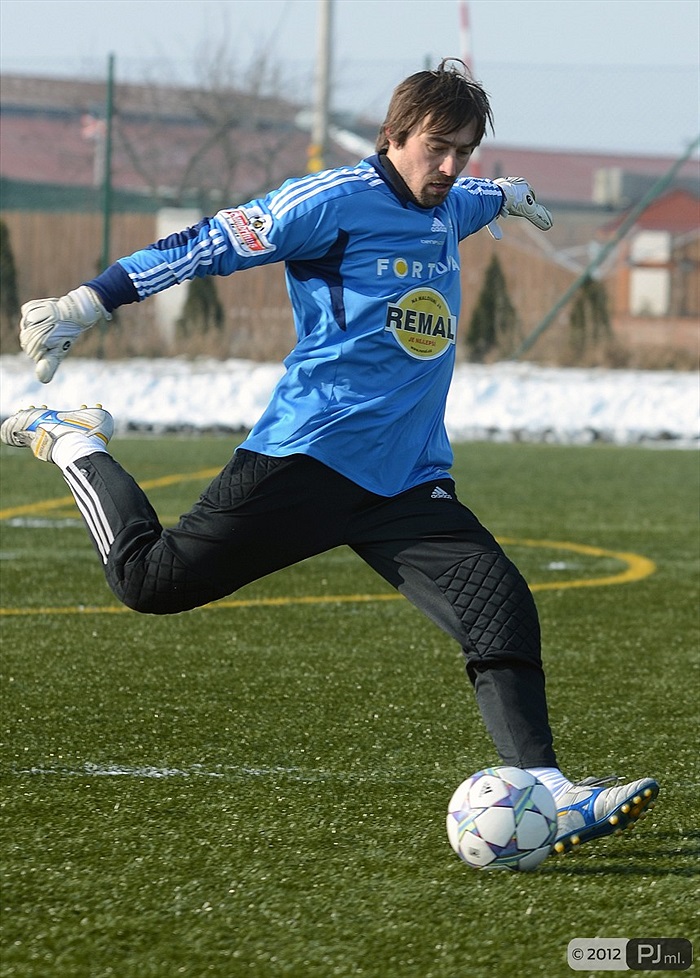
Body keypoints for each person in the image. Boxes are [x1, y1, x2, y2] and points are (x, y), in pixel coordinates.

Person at [1, 59, 657, 854]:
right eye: (436, 148)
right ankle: (72, 438)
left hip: (409, 479)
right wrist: (89, 300)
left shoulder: (450, 202)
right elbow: (212, 242)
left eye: (465, 152)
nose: (450, 168)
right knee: (149, 583)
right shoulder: (330, 200)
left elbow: (479, 196)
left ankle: (550, 793)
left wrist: (508, 194)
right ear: (394, 136)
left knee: (500, 604)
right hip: (308, 459)